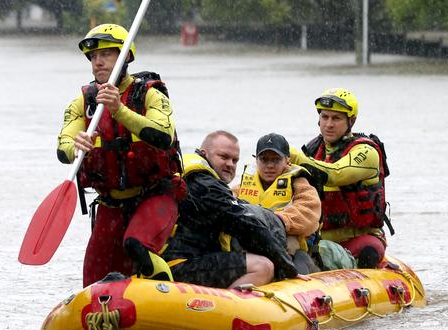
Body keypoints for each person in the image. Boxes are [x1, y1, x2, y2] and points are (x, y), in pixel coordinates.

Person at [56, 24, 184, 287]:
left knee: (137, 245)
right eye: (93, 57)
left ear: (125, 56)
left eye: (106, 55)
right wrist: (76, 146)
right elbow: (63, 147)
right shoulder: (84, 101)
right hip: (110, 205)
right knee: (94, 278)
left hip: (154, 196)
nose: (97, 62)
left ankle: (167, 300)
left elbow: (162, 135)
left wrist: (119, 110)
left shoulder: (150, 93)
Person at [160, 130, 300, 288]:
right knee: (263, 267)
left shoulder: (191, 178)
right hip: (181, 265)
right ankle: (223, 308)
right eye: (224, 157)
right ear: (204, 153)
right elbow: (245, 225)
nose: (230, 164)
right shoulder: (204, 184)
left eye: (235, 160)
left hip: (174, 260)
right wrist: (287, 266)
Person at [289, 88, 393, 268]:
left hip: (359, 238)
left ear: (351, 121)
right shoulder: (312, 150)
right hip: (319, 238)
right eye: (325, 117)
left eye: (336, 118)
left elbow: (336, 174)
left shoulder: (366, 152)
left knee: (370, 251)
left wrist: (292, 156)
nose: (329, 124)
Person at [237, 133, 321, 274]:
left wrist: (277, 221)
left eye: (276, 160)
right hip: (253, 239)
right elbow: (227, 202)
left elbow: (309, 212)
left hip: (289, 242)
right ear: (256, 160)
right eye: (264, 159)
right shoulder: (244, 183)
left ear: (287, 160)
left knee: (289, 247)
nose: (269, 165)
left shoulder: (299, 182)